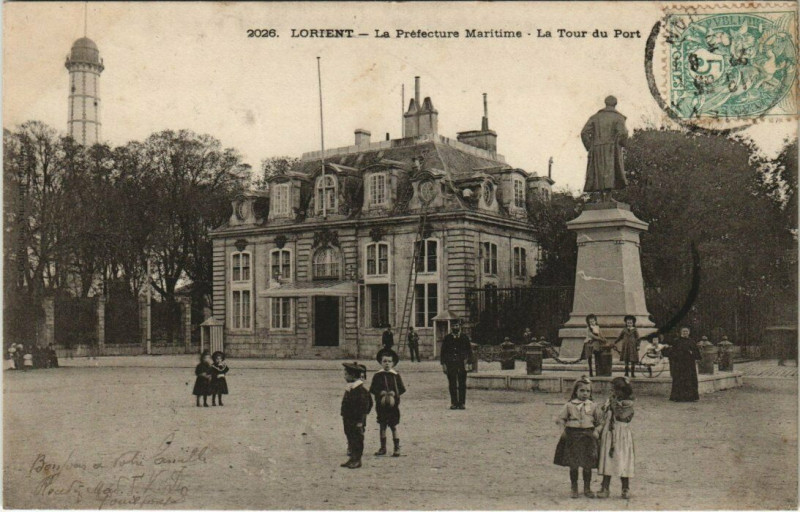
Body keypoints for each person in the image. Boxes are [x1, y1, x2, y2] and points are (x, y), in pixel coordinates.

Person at [554, 376, 603, 499]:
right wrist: (562, 430)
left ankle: (587, 488)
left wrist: (597, 430)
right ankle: (574, 487)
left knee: (587, 464)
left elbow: (600, 422)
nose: (585, 393)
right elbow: (560, 418)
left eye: (588, 391)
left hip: (588, 437)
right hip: (573, 436)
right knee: (573, 464)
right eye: (582, 390)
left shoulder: (593, 406)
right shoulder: (570, 405)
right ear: (575, 391)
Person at [581, 95, 629, 202]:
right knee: (609, 172)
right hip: (611, 148)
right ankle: (607, 198)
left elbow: (584, 132)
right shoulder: (618, 117)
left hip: (597, 148)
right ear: (615, 104)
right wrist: (621, 143)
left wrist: (590, 146)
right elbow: (623, 133)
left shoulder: (594, 117)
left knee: (599, 172)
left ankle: (604, 198)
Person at [597, 376, 635, 499]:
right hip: (609, 432)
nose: (612, 392)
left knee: (623, 459)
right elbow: (603, 413)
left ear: (623, 391)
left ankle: (625, 487)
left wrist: (613, 405)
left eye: (615, 390)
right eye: (611, 390)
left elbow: (622, 415)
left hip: (622, 434)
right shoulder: (611, 400)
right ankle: (605, 486)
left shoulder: (628, 403)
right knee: (607, 458)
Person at [370, 348, 406, 457]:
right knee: (382, 426)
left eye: (389, 361)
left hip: (393, 406)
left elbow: (402, 389)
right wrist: (379, 393)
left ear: (393, 363)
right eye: (384, 361)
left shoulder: (395, 375)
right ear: (381, 362)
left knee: (394, 426)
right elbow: (372, 389)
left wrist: (394, 394)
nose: (387, 364)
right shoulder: (377, 376)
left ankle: (396, 447)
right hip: (381, 406)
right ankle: (383, 447)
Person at [340, 362, 373, 469]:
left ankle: (357, 460)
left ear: (353, 376)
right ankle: (352, 459)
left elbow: (364, 407)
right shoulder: (351, 387)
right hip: (348, 418)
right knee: (350, 437)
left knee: (357, 439)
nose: (344, 376)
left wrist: (360, 421)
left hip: (356, 420)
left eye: (346, 374)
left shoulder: (360, 391)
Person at [661, 327, 701, 402]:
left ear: (689, 332)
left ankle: (690, 397)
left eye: (686, 331)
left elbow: (697, 353)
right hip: (679, 364)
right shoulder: (677, 341)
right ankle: (678, 397)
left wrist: (693, 354)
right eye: (683, 331)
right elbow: (672, 352)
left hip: (689, 364)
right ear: (681, 332)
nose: (685, 333)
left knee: (689, 380)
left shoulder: (692, 341)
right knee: (679, 379)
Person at [440, 322, 473, 410]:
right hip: (450, 364)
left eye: (457, 325)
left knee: (462, 384)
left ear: (460, 326)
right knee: (452, 384)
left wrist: (469, 363)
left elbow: (469, 351)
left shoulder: (464, 337)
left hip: (462, 364)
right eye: (454, 326)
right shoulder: (447, 338)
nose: (455, 327)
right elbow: (443, 352)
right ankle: (454, 403)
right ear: (451, 327)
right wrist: (443, 364)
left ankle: (462, 403)